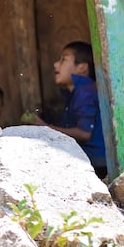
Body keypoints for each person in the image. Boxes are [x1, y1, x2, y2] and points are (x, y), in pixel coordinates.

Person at [23, 41, 107, 177]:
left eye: (64, 59)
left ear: (82, 68)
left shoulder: (84, 92)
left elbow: (84, 134)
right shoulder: (78, 92)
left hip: (96, 163)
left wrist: (45, 127)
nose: (56, 64)